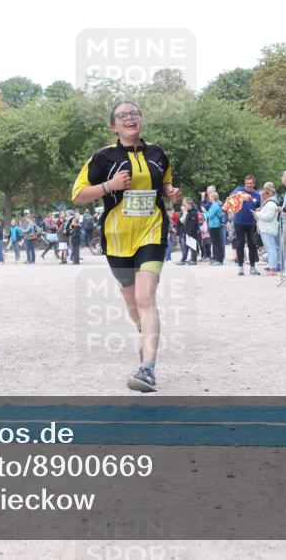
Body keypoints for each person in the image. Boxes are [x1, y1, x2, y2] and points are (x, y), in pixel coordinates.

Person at [72, 100, 182, 392]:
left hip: (152, 232)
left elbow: (167, 183)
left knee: (146, 297)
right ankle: (143, 333)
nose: (129, 118)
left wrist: (171, 192)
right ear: (113, 126)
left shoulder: (158, 154)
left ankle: (147, 369)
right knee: (133, 304)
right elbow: (78, 195)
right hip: (118, 239)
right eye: (122, 116)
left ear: (141, 120)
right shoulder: (103, 157)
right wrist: (110, 186)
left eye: (134, 113)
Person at [228, 174, 261, 276]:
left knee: (252, 245)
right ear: (244, 183)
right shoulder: (239, 189)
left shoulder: (257, 195)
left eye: (251, 183)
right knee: (240, 244)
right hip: (239, 221)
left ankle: (252, 267)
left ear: (254, 184)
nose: (249, 185)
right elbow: (233, 197)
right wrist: (244, 195)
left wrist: (258, 209)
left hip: (251, 223)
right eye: (247, 183)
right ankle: (240, 267)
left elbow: (258, 207)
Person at [255, 185, 280, 274]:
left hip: (268, 229)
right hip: (266, 229)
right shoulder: (269, 203)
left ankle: (273, 268)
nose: (262, 196)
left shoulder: (271, 203)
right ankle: (272, 267)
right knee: (271, 249)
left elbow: (268, 217)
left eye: (263, 194)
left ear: (268, 194)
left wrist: (257, 213)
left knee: (271, 249)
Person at [176, 197, 199, 266]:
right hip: (187, 232)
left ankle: (193, 259)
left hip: (192, 233)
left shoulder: (194, 212)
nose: (184, 206)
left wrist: (189, 232)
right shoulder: (189, 212)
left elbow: (193, 224)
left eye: (185, 205)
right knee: (186, 247)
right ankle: (184, 259)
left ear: (189, 204)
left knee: (193, 247)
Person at [205, 190, 224, 266]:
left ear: (213, 197)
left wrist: (204, 211)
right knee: (215, 243)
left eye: (210, 196)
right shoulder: (214, 205)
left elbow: (210, 216)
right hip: (213, 226)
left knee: (217, 243)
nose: (209, 197)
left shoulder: (215, 205)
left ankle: (219, 260)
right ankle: (216, 259)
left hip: (215, 226)